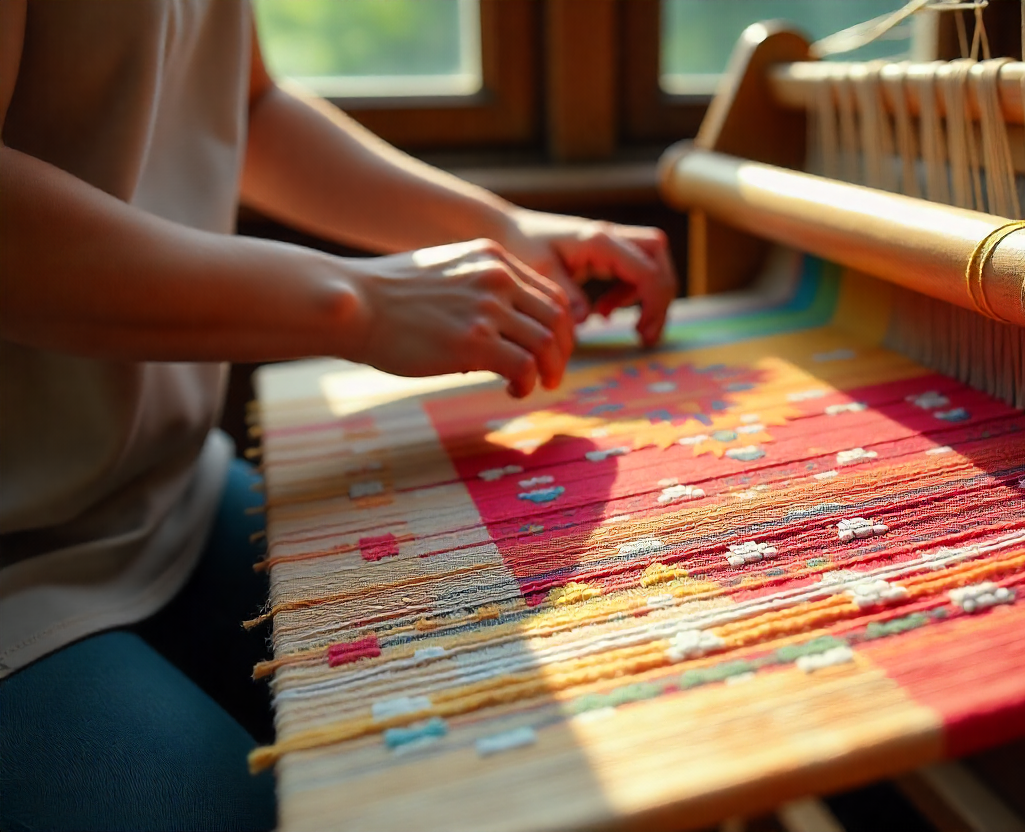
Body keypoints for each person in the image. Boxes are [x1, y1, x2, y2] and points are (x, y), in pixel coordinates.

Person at [0, 2, 676, 829]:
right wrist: (352, 302)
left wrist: (503, 230)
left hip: (168, 495)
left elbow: (246, 107)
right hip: (17, 553)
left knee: (494, 710)